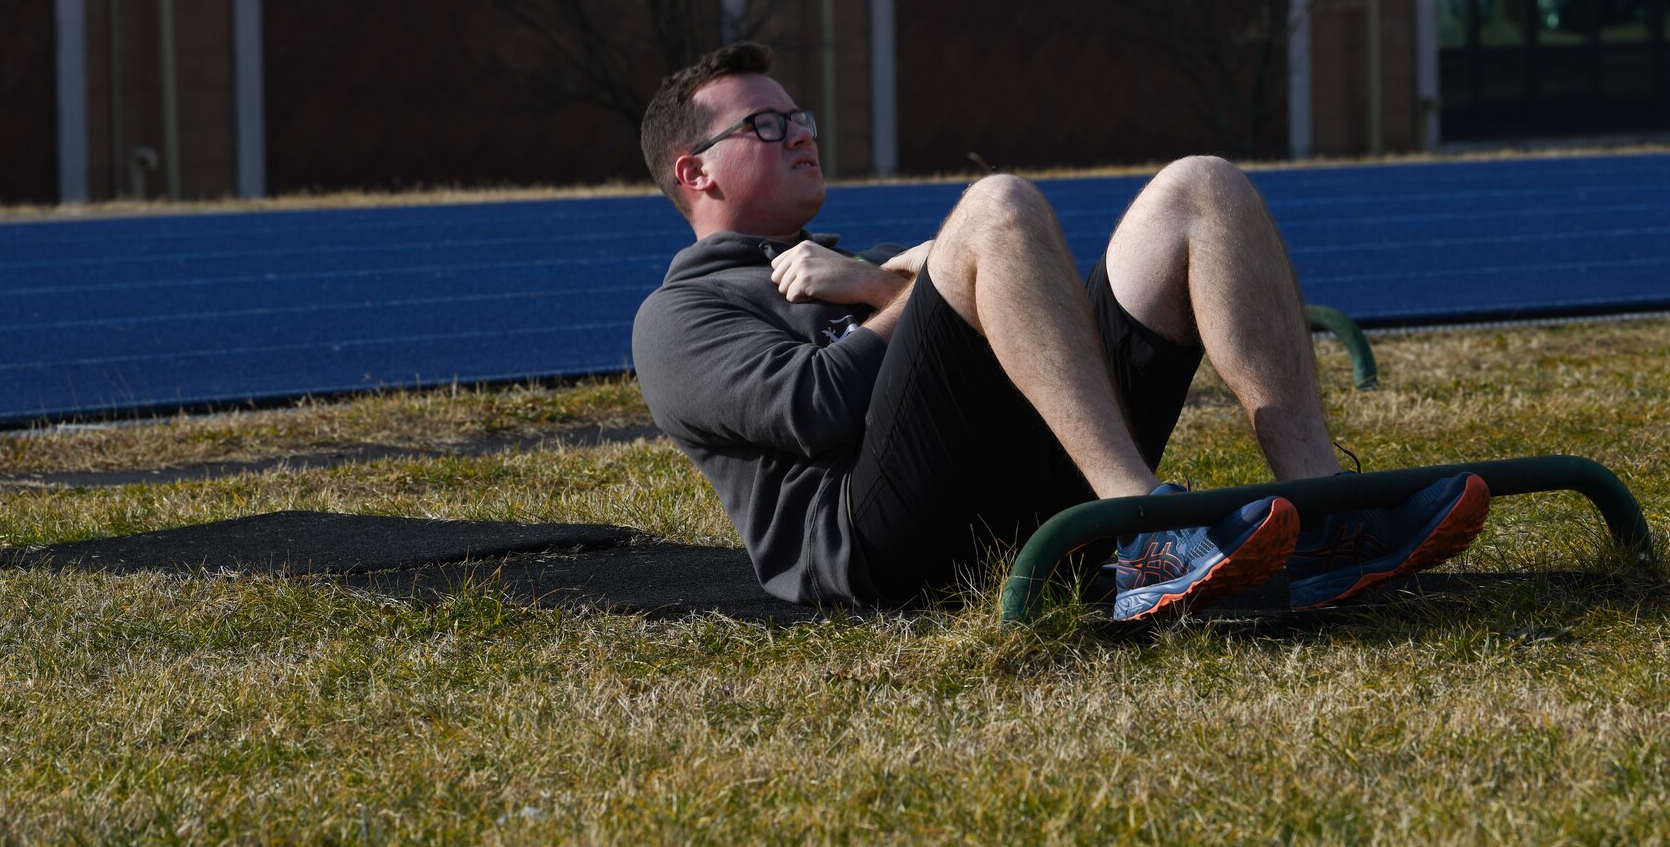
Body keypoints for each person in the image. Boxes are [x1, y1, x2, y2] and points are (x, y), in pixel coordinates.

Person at [630, 44, 1487, 619]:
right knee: (998, 205)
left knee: (1201, 186)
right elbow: (814, 408)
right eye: (766, 126)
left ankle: (1329, 506)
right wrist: (907, 283)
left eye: (801, 119)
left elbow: (978, 305)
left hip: (1020, 479)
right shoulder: (677, 317)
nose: (800, 135)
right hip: (884, 548)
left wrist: (871, 278)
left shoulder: (858, 263)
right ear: (694, 170)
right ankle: (1136, 521)